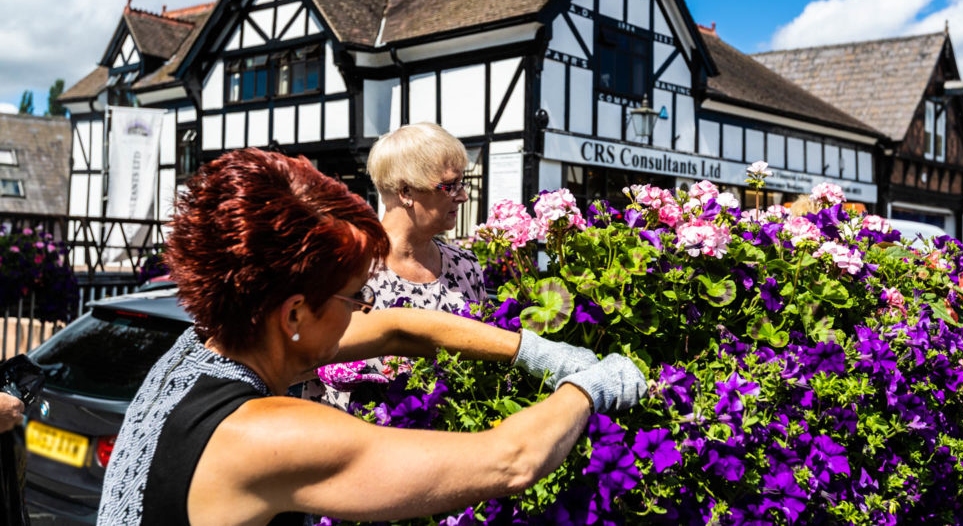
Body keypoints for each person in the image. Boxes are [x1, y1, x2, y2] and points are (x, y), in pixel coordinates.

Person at [98, 148, 645, 526]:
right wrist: (588, 388)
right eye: (356, 296)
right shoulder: (266, 437)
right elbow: (510, 459)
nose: (365, 310)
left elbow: (399, 326)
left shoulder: (199, 346)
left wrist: (533, 350)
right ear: (293, 315)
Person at [308, 122, 485, 404]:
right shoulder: (344, 268)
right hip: (355, 441)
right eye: (450, 186)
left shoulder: (465, 266)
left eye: (461, 184)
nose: (463, 196)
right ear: (406, 192)